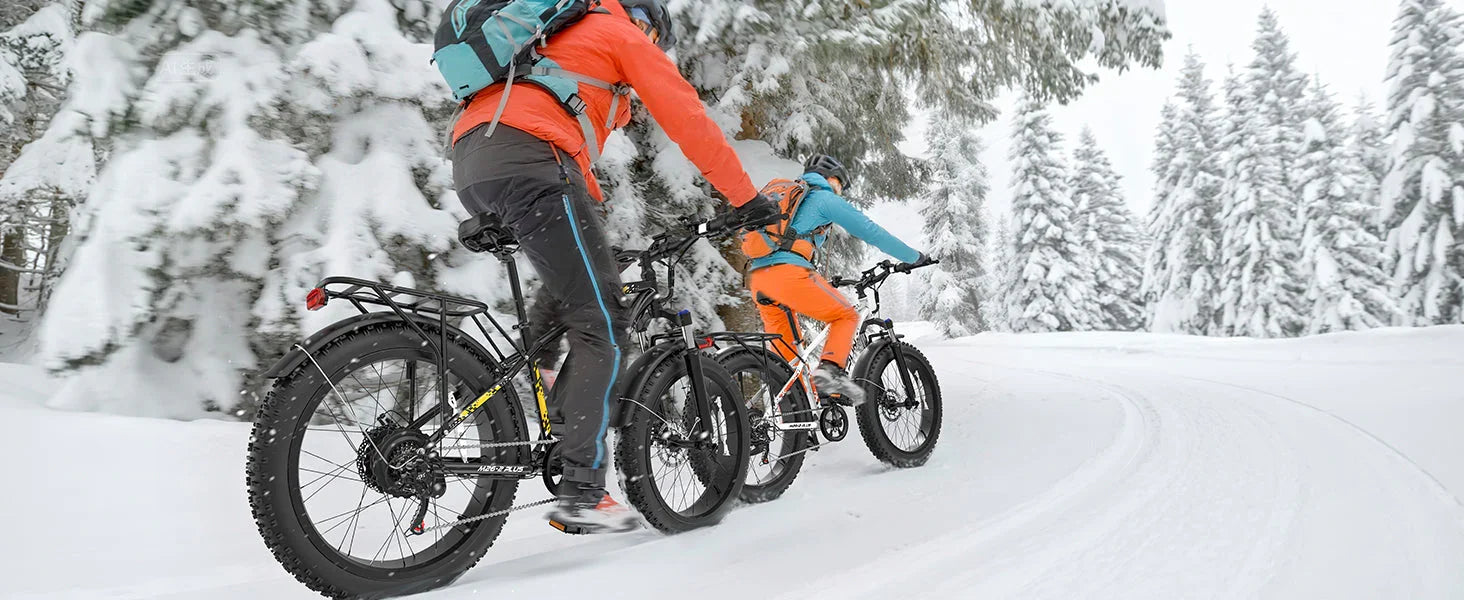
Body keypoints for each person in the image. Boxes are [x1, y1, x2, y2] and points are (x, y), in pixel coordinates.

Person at [450, 0, 779, 534]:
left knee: (573, 290)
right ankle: (582, 489)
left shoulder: (547, 43)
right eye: (655, 37)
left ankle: (541, 374)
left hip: (475, 161)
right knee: (604, 323)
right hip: (533, 159)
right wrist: (743, 198)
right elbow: (688, 120)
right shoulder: (617, 32)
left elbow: (569, 123)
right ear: (645, 22)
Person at [746, 155, 931, 405]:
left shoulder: (788, 200)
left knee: (787, 359)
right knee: (846, 316)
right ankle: (831, 371)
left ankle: (798, 420)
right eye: (840, 184)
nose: (840, 190)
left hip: (758, 278)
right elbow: (870, 231)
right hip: (787, 273)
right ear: (831, 178)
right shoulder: (823, 197)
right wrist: (913, 256)